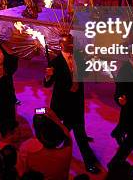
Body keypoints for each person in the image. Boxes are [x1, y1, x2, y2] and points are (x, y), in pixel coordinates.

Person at [43, 34, 100, 174]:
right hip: (62, 104)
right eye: (69, 44)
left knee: (80, 134)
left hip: (76, 103)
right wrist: (48, 75)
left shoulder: (79, 57)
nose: (72, 46)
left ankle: (89, 162)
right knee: (60, 134)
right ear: (62, 45)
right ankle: (48, 155)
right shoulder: (55, 62)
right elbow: (47, 84)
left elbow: (85, 74)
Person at [17, 110, 73, 180]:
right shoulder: (67, 152)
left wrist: (45, 110)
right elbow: (66, 133)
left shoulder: (27, 148)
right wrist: (53, 116)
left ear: (33, 127)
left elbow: (21, 173)